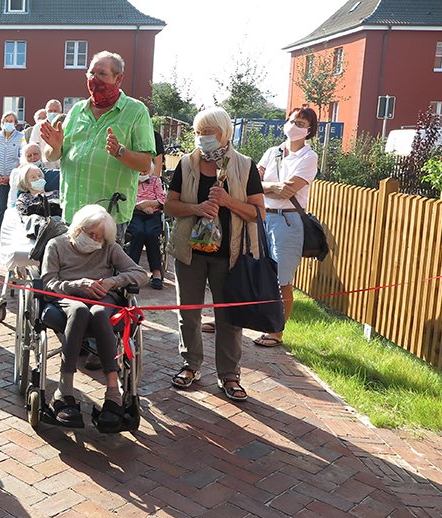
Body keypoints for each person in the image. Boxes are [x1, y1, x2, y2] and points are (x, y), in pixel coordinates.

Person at [165, 108, 264, 402]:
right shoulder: (187, 164)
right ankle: (190, 364)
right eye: (198, 132)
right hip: (190, 252)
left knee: (229, 318)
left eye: (209, 132)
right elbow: (170, 205)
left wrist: (228, 202)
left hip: (229, 255)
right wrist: (195, 208)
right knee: (188, 313)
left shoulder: (245, 166)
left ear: (224, 133)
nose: (203, 138)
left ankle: (229, 375)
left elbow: (258, 213)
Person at [42, 204, 149, 428]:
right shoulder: (56, 245)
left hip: (103, 298)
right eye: (91, 234)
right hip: (69, 297)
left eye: (100, 237)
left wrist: (113, 281)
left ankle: (113, 392)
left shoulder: (109, 248)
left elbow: (140, 274)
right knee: (80, 310)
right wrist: (76, 285)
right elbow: (48, 283)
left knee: (100, 313)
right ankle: (65, 389)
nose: (95, 240)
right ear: (78, 228)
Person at [41, 52, 155, 240]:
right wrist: (55, 147)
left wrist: (120, 152)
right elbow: (53, 156)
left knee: (104, 270)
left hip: (108, 218)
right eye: (91, 73)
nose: (94, 80)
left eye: (101, 74)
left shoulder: (136, 111)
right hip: (73, 214)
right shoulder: (77, 110)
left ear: (118, 78)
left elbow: (145, 165)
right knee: (71, 269)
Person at [253, 107, 319, 348]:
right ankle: (263, 322)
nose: (295, 126)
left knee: (282, 278)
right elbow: (254, 182)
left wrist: (264, 186)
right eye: (292, 121)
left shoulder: (309, 157)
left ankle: (277, 330)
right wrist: (273, 187)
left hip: (288, 220)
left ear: (309, 130)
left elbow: (288, 190)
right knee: (261, 272)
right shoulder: (273, 152)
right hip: (263, 217)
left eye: (301, 123)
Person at [126, 164, 166, 289]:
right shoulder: (129, 180)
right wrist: (141, 206)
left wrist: (149, 204)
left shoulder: (155, 180)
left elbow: (162, 199)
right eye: (140, 170)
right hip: (134, 213)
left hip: (153, 213)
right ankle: (132, 272)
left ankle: (156, 272)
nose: (143, 172)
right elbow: (126, 199)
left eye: (146, 170)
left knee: (152, 234)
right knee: (138, 233)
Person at [0, 112, 23, 230]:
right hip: (1, 180)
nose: (9, 123)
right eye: (6, 121)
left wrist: (10, 176)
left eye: (11, 121)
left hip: (15, 180)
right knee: (1, 210)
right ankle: (1, 238)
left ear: (15, 123)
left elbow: (22, 158)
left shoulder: (21, 137)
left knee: (15, 209)